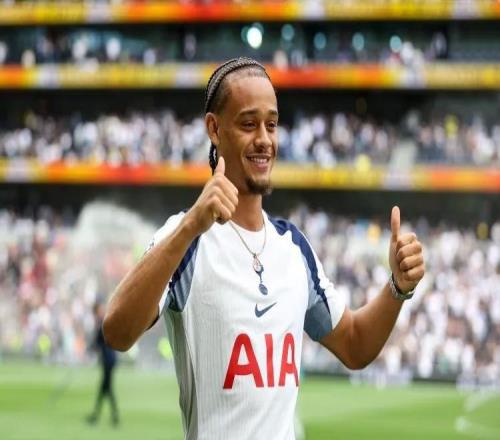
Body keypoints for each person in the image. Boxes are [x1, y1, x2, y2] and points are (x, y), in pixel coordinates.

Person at [103, 57, 425, 439]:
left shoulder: (294, 249)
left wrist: (397, 287)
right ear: (214, 129)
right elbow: (117, 332)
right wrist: (191, 225)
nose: (264, 139)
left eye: (271, 125)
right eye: (248, 124)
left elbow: (355, 345)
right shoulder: (186, 238)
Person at [87, 302, 119, 427]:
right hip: (108, 359)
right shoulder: (101, 322)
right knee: (106, 388)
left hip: (108, 359)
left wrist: (91, 347)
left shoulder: (102, 323)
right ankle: (105, 416)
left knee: (106, 387)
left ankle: (100, 416)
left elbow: (98, 341)